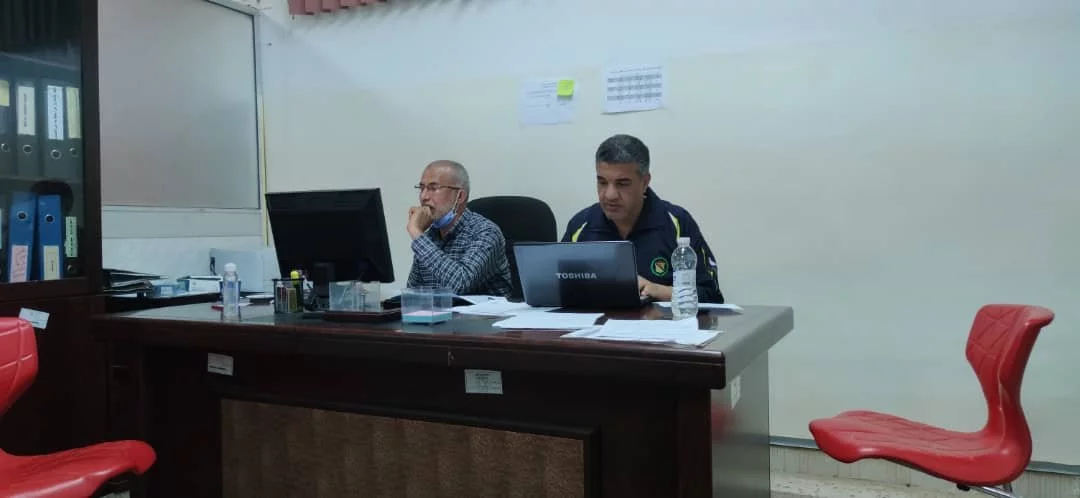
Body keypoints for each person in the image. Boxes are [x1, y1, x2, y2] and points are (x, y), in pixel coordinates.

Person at [561, 134, 725, 303]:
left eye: (622, 184)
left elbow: (712, 295)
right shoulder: (580, 226)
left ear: (645, 182)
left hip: (661, 320)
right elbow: (558, 291)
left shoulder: (677, 223)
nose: (610, 195)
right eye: (602, 182)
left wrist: (657, 290)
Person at [406, 160, 513, 297]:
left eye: (433, 188)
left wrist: (416, 233)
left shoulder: (486, 232)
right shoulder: (428, 238)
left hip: (487, 311)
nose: (424, 197)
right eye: (422, 188)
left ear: (460, 196)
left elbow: (460, 285)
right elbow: (414, 293)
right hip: (442, 311)